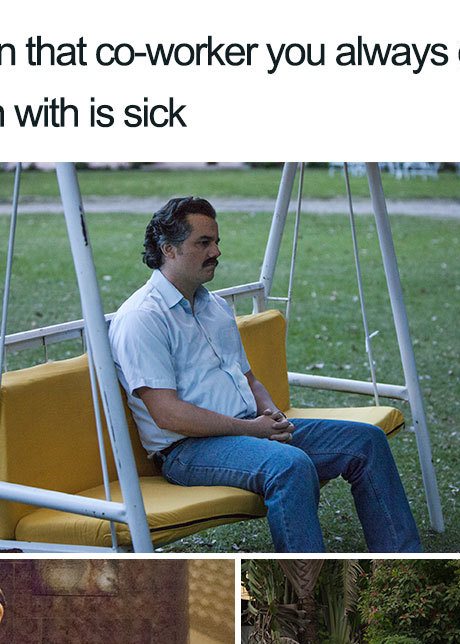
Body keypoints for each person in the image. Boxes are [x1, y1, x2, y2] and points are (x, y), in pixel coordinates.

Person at [109, 196, 422, 553]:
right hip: (187, 450)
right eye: (203, 243)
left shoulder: (213, 307)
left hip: (248, 429)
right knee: (290, 465)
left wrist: (271, 414)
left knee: (367, 442)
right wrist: (252, 430)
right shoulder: (143, 317)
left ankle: (403, 558)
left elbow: (249, 378)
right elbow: (167, 414)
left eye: (216, 241)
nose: (216, 252)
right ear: (169, 249)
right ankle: (305, 595)